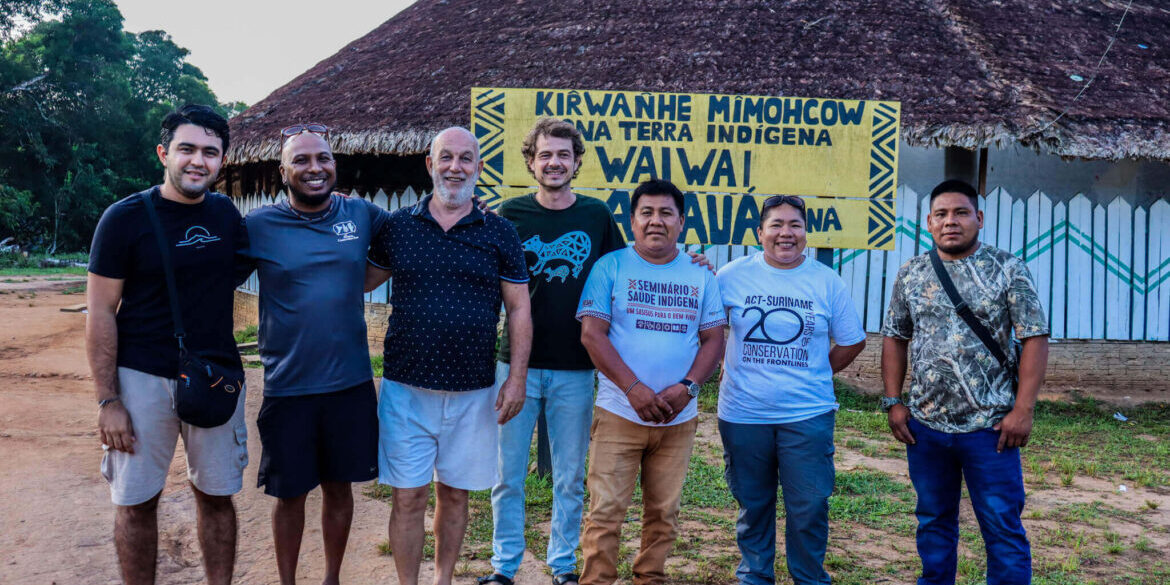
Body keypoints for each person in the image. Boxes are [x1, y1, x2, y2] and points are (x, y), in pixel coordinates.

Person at [365, 127, 533, 585]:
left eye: (465, 159)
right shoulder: (398, 227)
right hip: (406, 387)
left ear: (478, 168)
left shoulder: (498, 232)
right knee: (408, 498)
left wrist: (516, 379)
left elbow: (519, 308)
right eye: (446, 158)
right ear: (429, 164)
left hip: (473, 391)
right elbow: (359, 281)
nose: (455, 167)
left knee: (455, 496)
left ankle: (442, 580)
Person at [87, 104, 246, 585]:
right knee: (135, 502)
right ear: (164, 153)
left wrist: (341, 208)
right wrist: (108, 399)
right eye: (187, 149)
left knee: (217, 496)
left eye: (210, 152)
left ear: (221, 160)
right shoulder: (124, 219)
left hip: (215, 375)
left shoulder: (226, 215)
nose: (198, 161)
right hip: (141, 379)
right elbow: (100, 312)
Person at [477, 118, 625, 585]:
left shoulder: (597, 216)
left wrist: (689, 261)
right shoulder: (510, 214)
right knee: (507, 476)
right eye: (545, 154)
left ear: (577, 161)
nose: (554, 162)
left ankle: (562, 566)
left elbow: (628, 269)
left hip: (576, 368)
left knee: (569, 478)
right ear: (531, 162)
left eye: (563, 154)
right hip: (514, 364)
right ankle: (504, 567)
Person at [881, 179, 1050, 585]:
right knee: (934, 523)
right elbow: (894, 337)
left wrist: (1022, 410)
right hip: (926, 428)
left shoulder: (1007, 269)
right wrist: (893, 401)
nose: (950, 221)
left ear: (979, 218)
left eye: (960, 213)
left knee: (1001, 528)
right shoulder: (912, 273)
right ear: (928, 223)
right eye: (941, 214)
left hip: (991, 429)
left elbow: (1034, 337)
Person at [240, 123, 387, 585]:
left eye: (322, 158)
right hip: (289, 385)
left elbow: (421, 229)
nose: (314, 168)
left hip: (349, 383)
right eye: (301, 160)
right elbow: (210, 276)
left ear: (334, 165)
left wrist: (475, 205)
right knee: (290, 495)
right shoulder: (258, 226)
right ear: (283, 172)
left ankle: (331, 579)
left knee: (339, 488)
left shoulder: (362, 214)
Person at [576, 178, 726, 585]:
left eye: (665, 213)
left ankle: (650, 578)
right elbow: (592, 334)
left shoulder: (700, 274)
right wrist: (633, 389)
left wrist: (688, 387)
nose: (655, 221)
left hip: (678, 419)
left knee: (663, 514)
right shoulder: (611, 266)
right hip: (619, 413)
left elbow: (714, 338)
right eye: (646, 213)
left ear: (681, 221)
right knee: (605, 512)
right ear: (632, 220)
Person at [715, 195, 867, 585]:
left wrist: (818, 372)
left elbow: (852, 340)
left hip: (807, 415)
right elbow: (708, 332)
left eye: (795, 225)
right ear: (759, 232)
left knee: (810, 505)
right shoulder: (730, 276)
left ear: (805, 232)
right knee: (752, 504)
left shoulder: (825, 280)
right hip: (744, 415)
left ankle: (809, 578)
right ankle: (754, 576)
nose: (786, 233)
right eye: (777, 225)